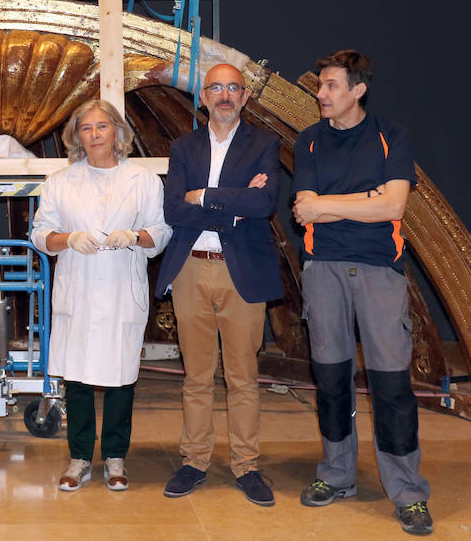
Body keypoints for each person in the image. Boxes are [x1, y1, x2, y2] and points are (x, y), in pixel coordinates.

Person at [292, 50, 432, 535]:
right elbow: (305, 211)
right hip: (322, 270)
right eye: (320, 86)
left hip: (380, 272)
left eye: (330, 85)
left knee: (392, 386)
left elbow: (395, 204)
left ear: (358, 90)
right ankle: (336, 475)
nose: (321, 94)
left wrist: (333, 204)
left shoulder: (391, 136)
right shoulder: (308, 141)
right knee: (331, 380)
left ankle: (409, 492)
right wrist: (366, 201)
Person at [155, 63, 282, 506]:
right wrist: (234, 204)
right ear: (203, 98)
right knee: (196, 376)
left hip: (240, 269)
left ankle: (246, 466)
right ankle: (194, 461)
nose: (225, 95)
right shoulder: (183, 147)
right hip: (191, 267)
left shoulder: (265, 144)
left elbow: (263, 202)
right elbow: (173, 209)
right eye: (216, 88)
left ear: (245, 97)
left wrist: (206, 196)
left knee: (244, 376)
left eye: (233, 88)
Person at [32, 98, 170, 492]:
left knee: (120, 378)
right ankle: (78, 458)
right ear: (77, 136)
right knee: (76, 378)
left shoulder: (142, 180)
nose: (94, 135)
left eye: (101, 126)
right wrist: (68, 239)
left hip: (122, 289)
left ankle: (114, 456)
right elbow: (41, 234)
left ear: (117, 131)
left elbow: (160, 232)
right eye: (86, 128)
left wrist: (135, 236)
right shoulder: (61, 181)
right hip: (79, 288)